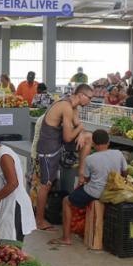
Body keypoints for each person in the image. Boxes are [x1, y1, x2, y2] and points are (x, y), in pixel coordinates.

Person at [49, 129, 127, 246]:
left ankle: (66, 238)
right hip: (113, 190)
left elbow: (85, 179)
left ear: (94, 144)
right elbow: (125, 173)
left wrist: (82, 181)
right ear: (108, 142)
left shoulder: (90, 159)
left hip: (96, 192)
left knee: (66, 201)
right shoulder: (118, 153)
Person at [34, 83, 94, 230]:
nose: (90, 101)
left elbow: (78, 125)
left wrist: (81, 132)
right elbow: (68, 137)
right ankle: (39, 220)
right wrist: (80, 129)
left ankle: (81, 174)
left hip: (57, 145)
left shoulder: (73, 107)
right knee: (46, 184)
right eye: (89, 97)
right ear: (81, 95)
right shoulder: (66, 106)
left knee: (88, 137)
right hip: (48, 149)